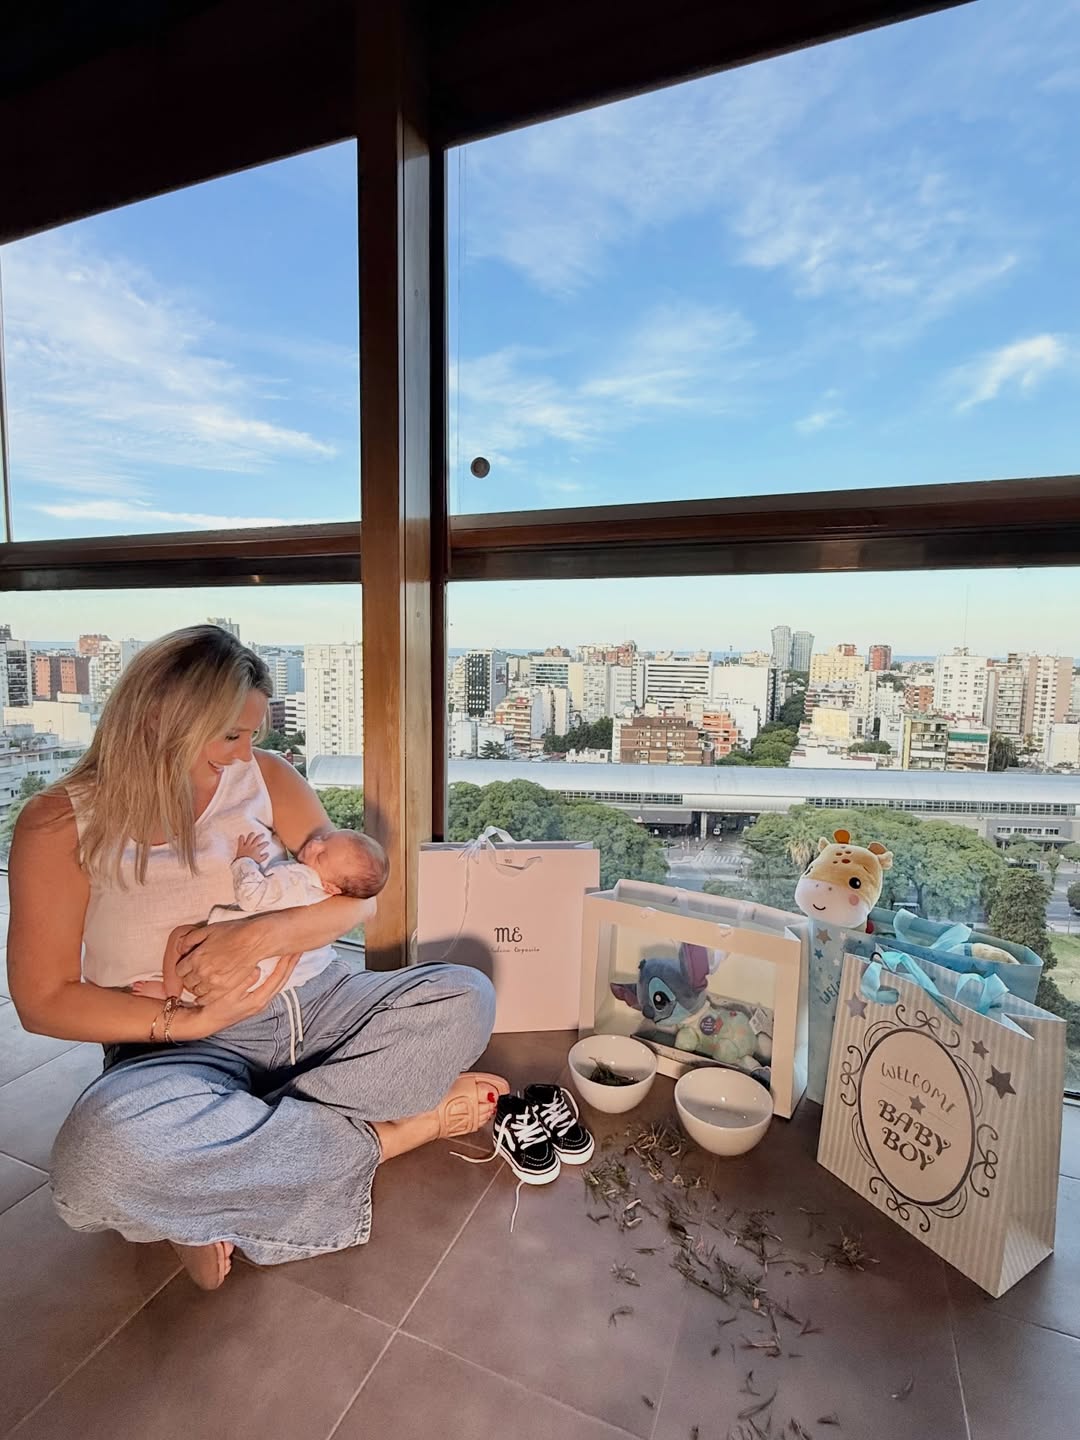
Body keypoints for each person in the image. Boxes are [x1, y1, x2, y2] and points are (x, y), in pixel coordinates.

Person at [7, 624, 506, 1291]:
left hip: (319, 1004)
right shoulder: (58, 823)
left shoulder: (268, 779)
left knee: (464, 996)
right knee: (96, 1163)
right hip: (178, 1047)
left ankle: (217, 1175)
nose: (249, 751)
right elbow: (44, 1000)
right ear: (162, 718)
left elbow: (357, 902)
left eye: (254, 734)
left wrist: (255, 938)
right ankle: (390, 1137)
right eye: (233, 735)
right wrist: (185, 1024)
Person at [130, 826, 390, 1007]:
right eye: (324, 836)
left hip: (241, 953)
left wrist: (245, 861)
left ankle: (170, 994)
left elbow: (251, 896)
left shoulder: (294, 879)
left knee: (181, 937)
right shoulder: (326, 896)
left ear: (333, 886)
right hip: (276, 976)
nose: (314, 843)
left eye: (321, 855)